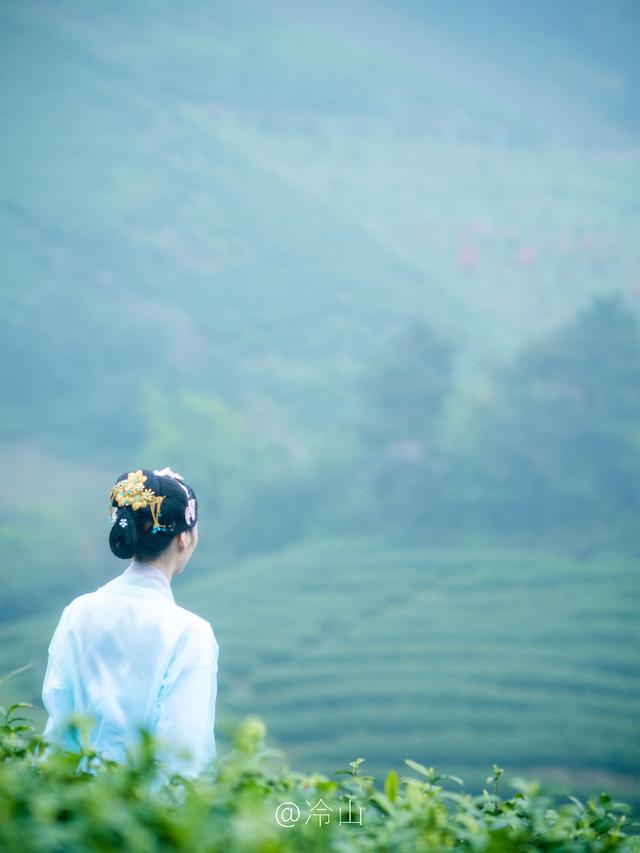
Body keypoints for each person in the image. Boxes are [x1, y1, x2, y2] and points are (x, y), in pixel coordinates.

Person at [40, 467, 219, 783]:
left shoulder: (78, 612)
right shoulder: (189, 633)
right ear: (184, 539)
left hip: (70, 804)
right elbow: (182, 757)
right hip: (138, 819)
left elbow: (58, 723)